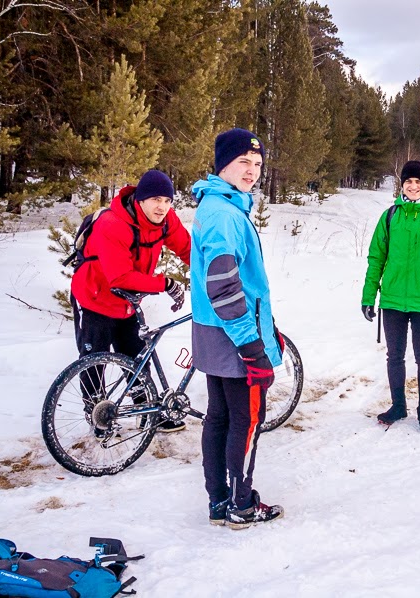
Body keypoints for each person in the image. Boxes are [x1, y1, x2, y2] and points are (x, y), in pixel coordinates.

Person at [190, 128, 285, 529]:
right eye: (244, 162)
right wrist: (251, 345)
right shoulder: (224, 215)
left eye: (258, 164)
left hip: (215, 333)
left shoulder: (218, 206)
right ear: (223, 164)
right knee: (245, 421)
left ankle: (218, 501)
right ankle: (240, 505)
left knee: (220, 417)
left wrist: (269, 329)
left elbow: (241, 283)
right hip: (233, 337)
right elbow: (225, 287)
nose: (252, 171)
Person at [70, 168, 191, 433]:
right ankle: (98, 417)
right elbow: (121, 276)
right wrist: (165, 283)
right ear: (140, 199)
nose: (162, 206)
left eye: (168, 200)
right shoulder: (113, 224)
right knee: (94, 362)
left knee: (136, 359)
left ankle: (147, 413)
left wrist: (215, 275)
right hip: (95, 299)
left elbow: (187, 248)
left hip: (127, 303)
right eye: (156, 200)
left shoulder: (166, 220)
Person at [361, 160, 420, 431]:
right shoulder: (390, 216)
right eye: (408, 181)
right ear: (401, 185)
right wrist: (369, 296)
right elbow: (375, 258)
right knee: (395, 356)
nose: (413, 186)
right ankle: (398, 406)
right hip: (392, 301)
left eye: (418, 181)